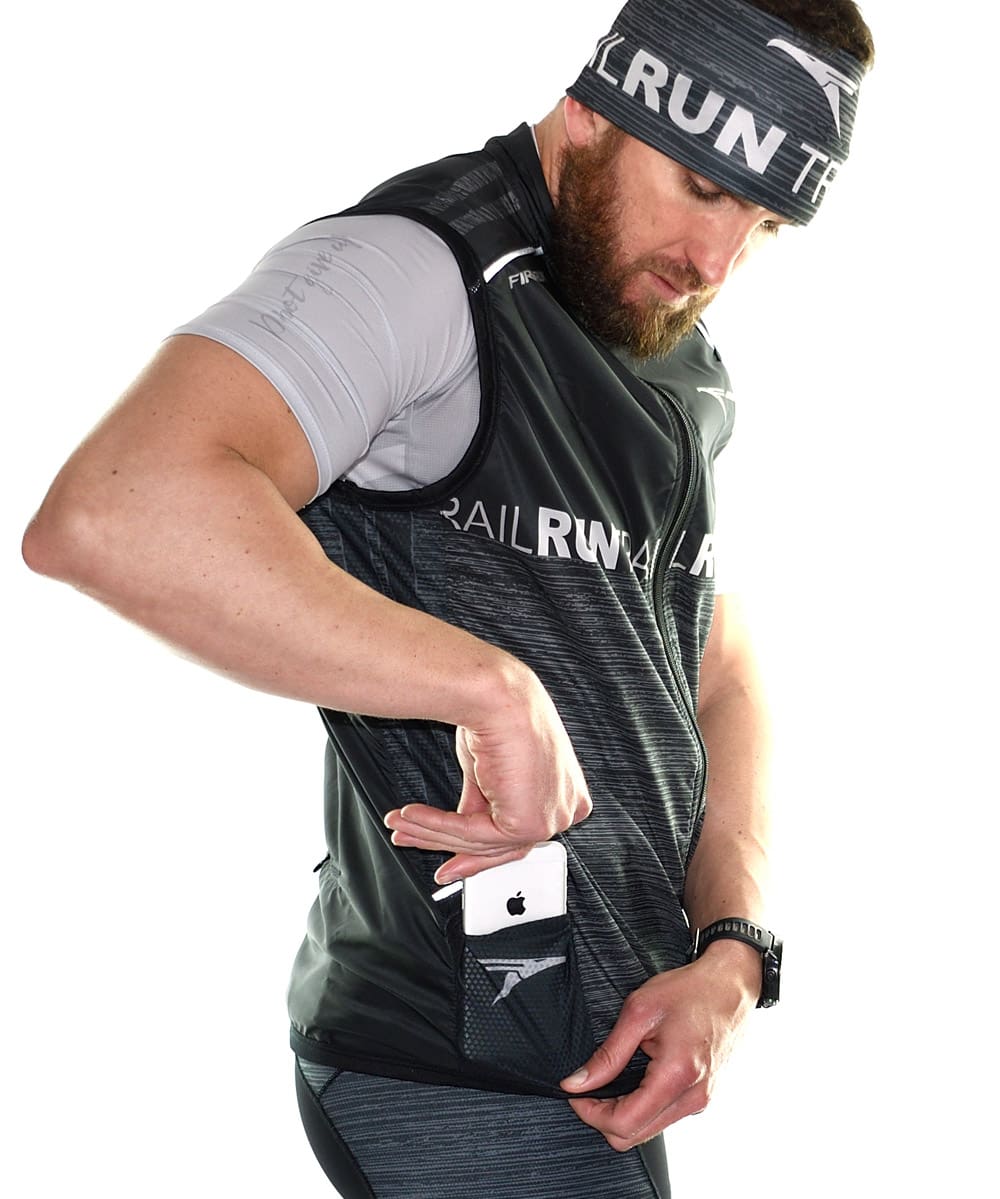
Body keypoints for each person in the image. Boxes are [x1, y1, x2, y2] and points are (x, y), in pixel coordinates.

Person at [21, 0, 874, 1195]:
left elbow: (708, 660)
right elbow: (113, 513)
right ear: (595, 108)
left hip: (596, 1051)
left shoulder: (673, 347)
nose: (716, 262)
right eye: (699, 187)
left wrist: (734, 944)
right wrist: (489, 687)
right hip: (449, 1060)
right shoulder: (419, 267)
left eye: (765, 221)